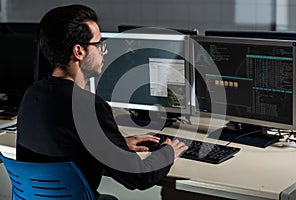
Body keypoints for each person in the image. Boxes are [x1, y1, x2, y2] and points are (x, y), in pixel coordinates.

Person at [16, 4, 188, 200]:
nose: (104, 52)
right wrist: (168, 152)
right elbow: (139, 177)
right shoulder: (88, 107)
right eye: (99, 45)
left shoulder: (33, 94)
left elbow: (59, 146)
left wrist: (116, 144)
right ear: (79, 51)